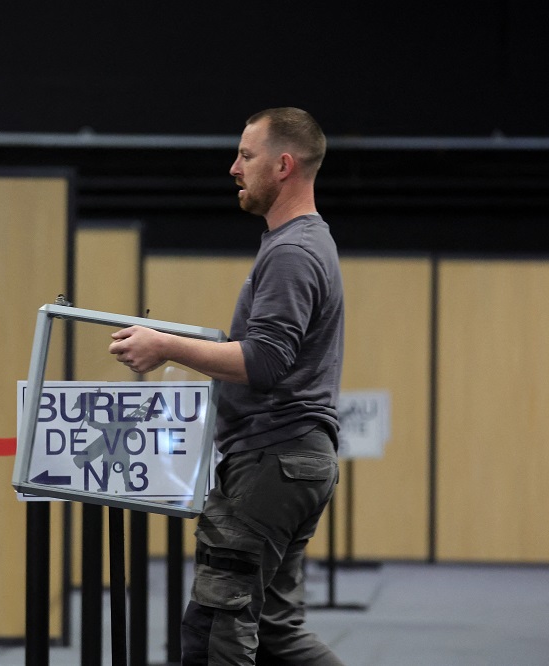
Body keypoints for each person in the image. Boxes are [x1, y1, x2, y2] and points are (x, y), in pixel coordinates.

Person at [109, 107, 345, 665]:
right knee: (276, 635)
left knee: (217, 627)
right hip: (293, 460)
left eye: (246, 155)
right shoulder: (303, 243)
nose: (233, 167)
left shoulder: (291, 252)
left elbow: (264, 360)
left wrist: (165, 346)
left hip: (273, 460)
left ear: (283, 165)